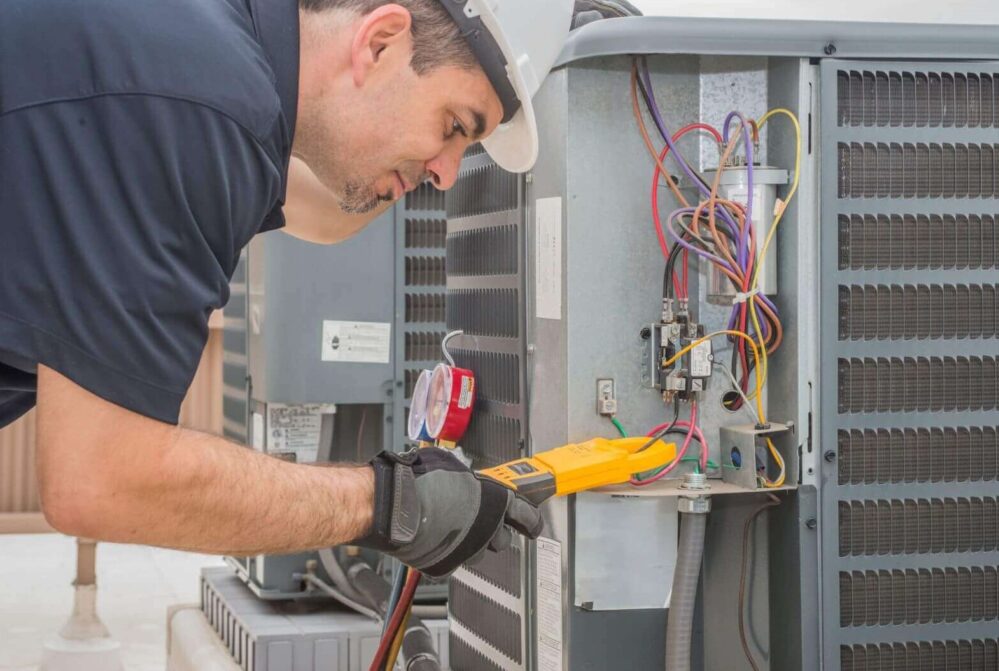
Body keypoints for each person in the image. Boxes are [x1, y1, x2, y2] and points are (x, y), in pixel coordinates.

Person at [0, 0, 574, 578]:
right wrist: (393, 505)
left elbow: (325, 214)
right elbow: (102, 478)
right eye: (454, 126)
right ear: (379, 42)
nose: (446, 173)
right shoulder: (203, 103)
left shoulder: (204, 52)